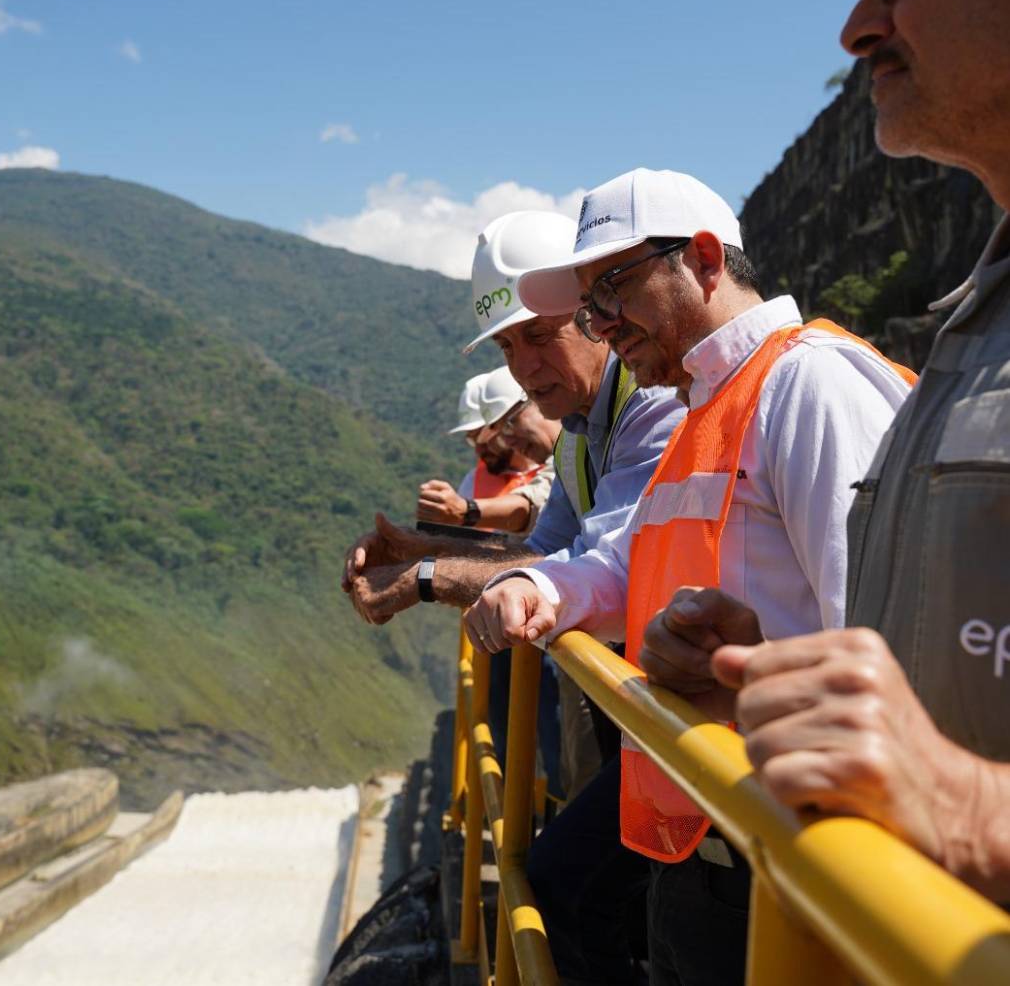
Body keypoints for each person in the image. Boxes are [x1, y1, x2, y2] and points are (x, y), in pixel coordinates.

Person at [465, 166, 914, 984]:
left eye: (613, 289)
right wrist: (542, 589)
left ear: (704, 259)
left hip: (786, 853)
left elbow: (879, 635)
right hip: (709, 839)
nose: (601, 323)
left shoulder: (808, 383)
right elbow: (630, 559)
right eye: (591, 305)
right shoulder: (706, 409)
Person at [649, 0, 1010, 908]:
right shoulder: (974, 327)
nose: (859, 23)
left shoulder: (814, 378)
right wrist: (767, 686)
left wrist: (971, 808)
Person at [343, 208, 685, 980]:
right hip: (640, 715)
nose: (524, 368)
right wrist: (419, 547)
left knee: (570, 894)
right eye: (507, 345)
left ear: (598, 316)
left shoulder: (655, 410)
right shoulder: (581, 436)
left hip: (679, 723)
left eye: (539, 335)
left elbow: (600, 567)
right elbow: (540, 552)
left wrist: (426, 578)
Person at [419, 366, 555, 535]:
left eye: (508, 425)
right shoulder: (474, 481)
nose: (480, 449)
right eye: (472, 440)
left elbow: (532, 508)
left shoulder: (568, 457)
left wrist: (466, 511)